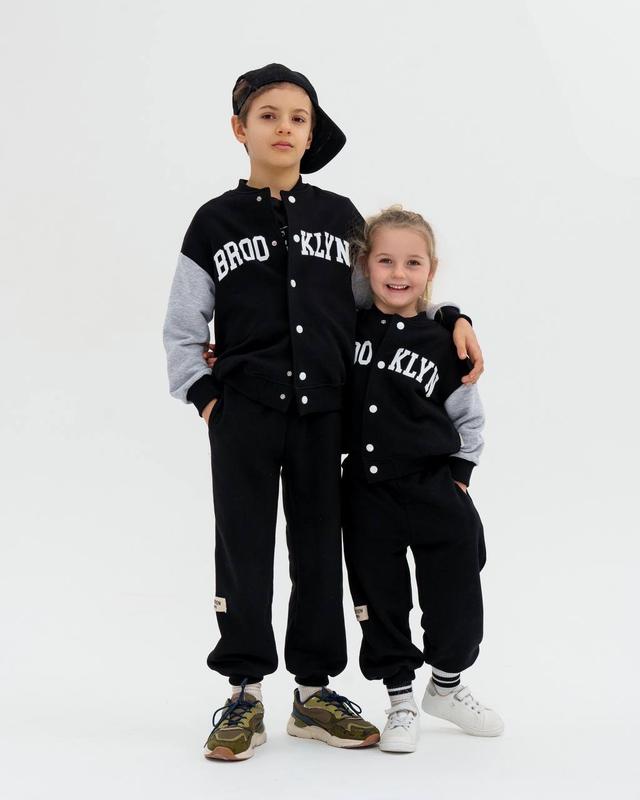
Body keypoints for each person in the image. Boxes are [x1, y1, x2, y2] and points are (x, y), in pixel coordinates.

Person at [163, 63, 483, 761]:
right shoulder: (213, 222)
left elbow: (388, 299)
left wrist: (450, 316)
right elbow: (184, 328)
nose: (284, 127)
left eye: (298, 118)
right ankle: (243, 694)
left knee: (317, 551)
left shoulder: (339, 218)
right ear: (239, 128)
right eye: (269, 115)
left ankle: (313, 694)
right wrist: (209, 398)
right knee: (244, 549)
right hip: (244, 415)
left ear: (312, 134)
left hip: (327, 419)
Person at [341, 205, 504, 754]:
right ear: (365, 265)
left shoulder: (444, 341)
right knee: (379, 596)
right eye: (385, 260)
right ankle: (401, 701)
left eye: (413, 262)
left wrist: (459, 479)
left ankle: (447, 686)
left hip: (435, 488)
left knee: (457, 593)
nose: (398, 273)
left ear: (431, 269)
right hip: (367, 493)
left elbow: (469, 419)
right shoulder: (348, 325)